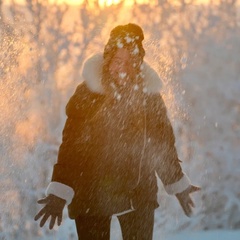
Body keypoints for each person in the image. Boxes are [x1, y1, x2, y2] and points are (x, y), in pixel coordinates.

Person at [34, 23, 200, 240]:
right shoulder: (88, 94)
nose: (123, 68)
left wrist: (176, 182)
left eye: (131, 62)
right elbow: (72, 148)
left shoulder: (149, 97)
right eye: (117, 61)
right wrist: (59, 191)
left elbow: (161, 145)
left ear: (138, 64)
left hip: (137, 193)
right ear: (107, 61)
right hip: (90, 192)